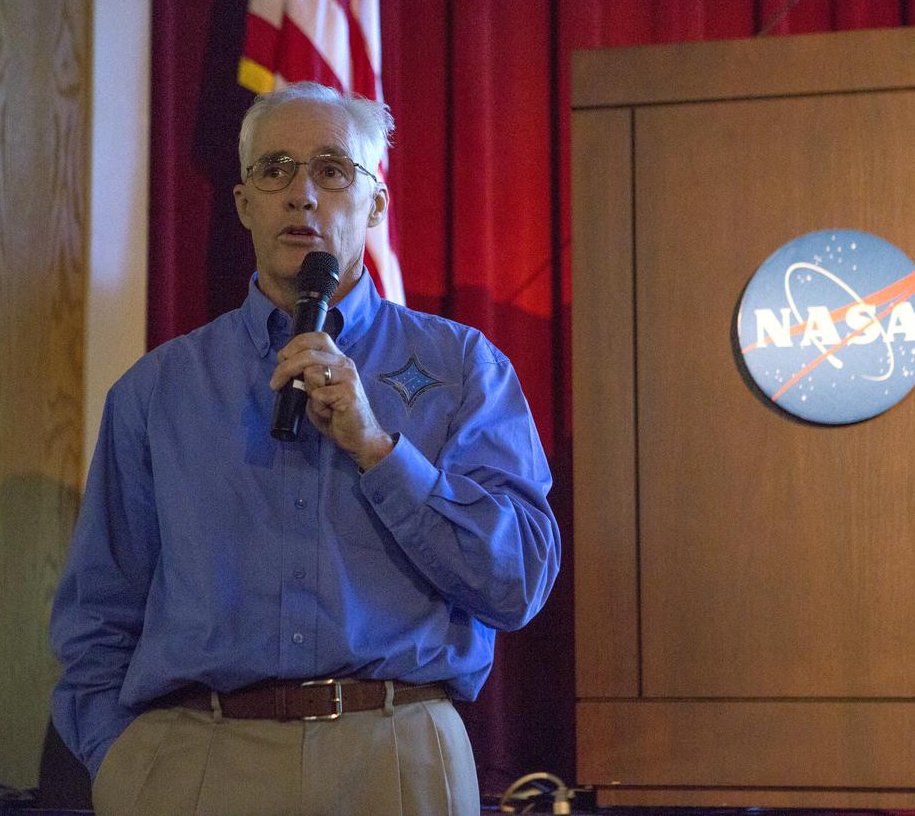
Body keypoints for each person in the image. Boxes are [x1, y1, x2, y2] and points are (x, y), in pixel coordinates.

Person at [49, 81, 561, 816]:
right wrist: (123, 762)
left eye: (331, 169)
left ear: (375, 204)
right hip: (193, 761)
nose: (302, 194)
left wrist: (379, 448)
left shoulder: (463, 369)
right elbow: (97, 612)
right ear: (244, 204)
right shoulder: (155, 390)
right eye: (275, 169)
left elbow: (519, 581)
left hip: (394, 754)